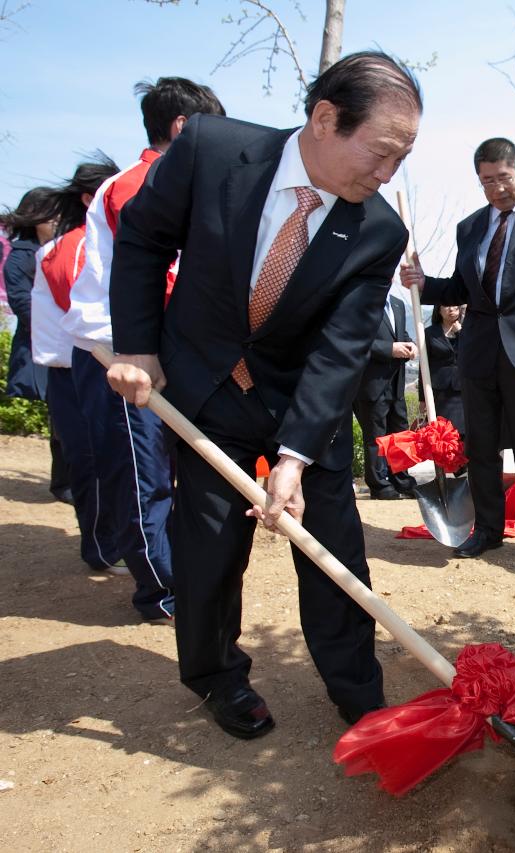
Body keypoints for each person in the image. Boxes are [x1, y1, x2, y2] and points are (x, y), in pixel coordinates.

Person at [105, 51, 421, 739]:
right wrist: (136, 346)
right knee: (211, 545)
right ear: (325, 119)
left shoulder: (377, 231)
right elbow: (143, 239)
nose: (388, 174)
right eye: (381, 152)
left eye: (403, 158)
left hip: (303, 400)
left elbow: (341, 349)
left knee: (332, 548)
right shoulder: (213, 151)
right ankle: (217, 675)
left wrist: (297, 456)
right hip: (204, 385)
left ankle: (360, 694)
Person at [62, 77, 226, 624]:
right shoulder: (144, 183)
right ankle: (162, 592)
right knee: (143, 479)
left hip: (158, 355)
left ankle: (182, 578)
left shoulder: (162, 181)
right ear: (184, 128)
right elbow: (165, 278)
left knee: (172, 476)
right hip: (124, 357)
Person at [401, 138, 515, 568]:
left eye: (503, 178)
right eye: (486, 181)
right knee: (481, 447)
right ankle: (487, 531)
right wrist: (422, 282)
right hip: (480, 350)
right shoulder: (470, 226)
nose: (496, 189)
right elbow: (460, 288)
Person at [30, 157, 125, 573]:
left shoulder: (90, 242)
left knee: (104, 462)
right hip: (79, 369)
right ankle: (102, 549)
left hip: (87, 367)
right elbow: (87, 313)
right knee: (92, 462)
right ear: (92, 198)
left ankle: (108, 543)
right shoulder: (74, 246)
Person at [1, 186, 71, 502]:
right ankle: (65, 483)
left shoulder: (61, 248)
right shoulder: (20, 257)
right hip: (41, 347)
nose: (57, 220)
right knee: (61, 417)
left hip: (60, 343)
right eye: (50, 214)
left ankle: (65, 480)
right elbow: (23, 304)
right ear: (34, 218)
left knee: (64, 417)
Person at [354, 292, 417, 498]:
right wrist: (389, 349)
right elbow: (356, 341)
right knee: (376, 437)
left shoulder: (398, 304)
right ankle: (379, 485)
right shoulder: (363, 301)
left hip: (397, 381)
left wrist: (410, 344)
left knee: (400, 433)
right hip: (372, 383)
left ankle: (402, 479)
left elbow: (400, 335)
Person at [424, 303, 466, 436]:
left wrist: (460, 333)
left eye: (455, 305)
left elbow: (472, 354)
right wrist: (422, 398)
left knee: (462, 432)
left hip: (462, 390)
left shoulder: (467, 331)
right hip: (440, 390)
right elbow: (424, 365)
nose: (451, 309)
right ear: (439, 310)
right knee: (441, 432)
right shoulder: (430, 332)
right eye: (446, 306)